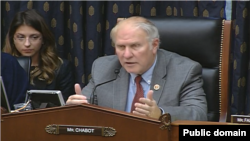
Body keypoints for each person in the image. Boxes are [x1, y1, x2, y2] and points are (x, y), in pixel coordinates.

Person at [66, 16, 207, 121]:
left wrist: (160, 114)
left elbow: (199, 114)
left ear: (154, 45)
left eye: (135, 46)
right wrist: (76, 108)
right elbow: (86, 106)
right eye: (121, 47)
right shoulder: (103, 67)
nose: (126, 55)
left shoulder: (185, 70)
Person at [2, 9, 74, 102]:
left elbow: (66, 108)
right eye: (21, 37)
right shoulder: (3, 65)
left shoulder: (61, 68)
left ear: (43, 39)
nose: (27, 44)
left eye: (34, 37)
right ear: (13, 39)